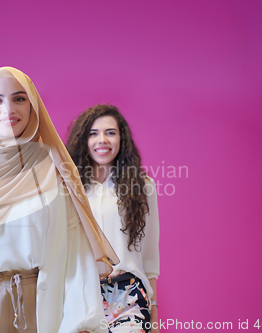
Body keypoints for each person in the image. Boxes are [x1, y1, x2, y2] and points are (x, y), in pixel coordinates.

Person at [0, 67, 119, 333]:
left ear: (33, 105)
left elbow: (74, 251)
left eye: (19, 98)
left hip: (35, 307)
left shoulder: (54, 170)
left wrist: (82, 320)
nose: (8, 109)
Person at [66, 104, 160, 333]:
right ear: (83, 140)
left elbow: (149, 258)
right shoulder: (68, 189)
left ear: (122, 139)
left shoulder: (143, 186)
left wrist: (154, 313)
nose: (102, 140)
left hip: (128, 296)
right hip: (80, 295)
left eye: (110, 132)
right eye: (93, 133)